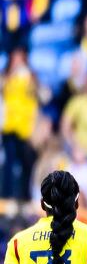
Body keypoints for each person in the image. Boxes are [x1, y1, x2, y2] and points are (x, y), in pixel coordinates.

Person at [1, 46, 39, 200]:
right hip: (10, 127)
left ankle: (25, 196)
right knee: (9, 165)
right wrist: (11, 75)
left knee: (27, 164)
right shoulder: (6, 77)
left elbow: (40, 94)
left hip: (26, 129)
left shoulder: (30, 78)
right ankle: (6, 196)